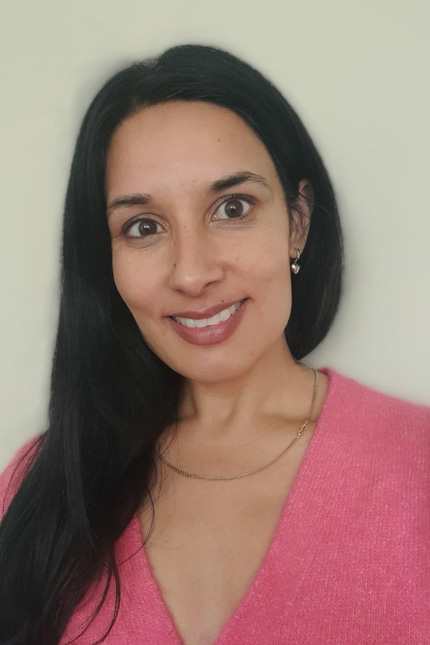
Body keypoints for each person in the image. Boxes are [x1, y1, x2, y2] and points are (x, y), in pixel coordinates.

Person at [0, 43, 429, 645]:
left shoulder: (419, 466)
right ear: (108, 262)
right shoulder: (40, 485)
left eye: (232, 207)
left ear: (297, 223)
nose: (192, 273)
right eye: (143, 227)